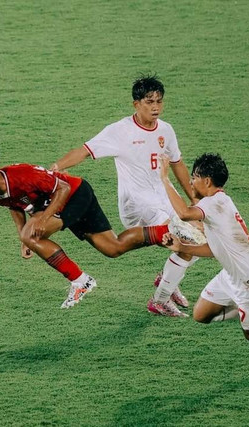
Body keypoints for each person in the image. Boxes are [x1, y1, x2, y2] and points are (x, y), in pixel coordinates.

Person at [50, 74, 204, 317]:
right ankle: (160, 299)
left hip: (165, 196)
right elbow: (84, 151)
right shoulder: (120, 131)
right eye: (149, 102)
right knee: (187, 239)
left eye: (159, 102)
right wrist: (55, 168)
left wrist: (194, 198)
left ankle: (167, 281)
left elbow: (177, 163)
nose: (155, 107)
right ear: (136, 104)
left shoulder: (166, 130)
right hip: (138, 203)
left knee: (202, 235)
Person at [0, 145, 182, 309]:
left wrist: (41, 219)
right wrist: (23, 237)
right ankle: (171, 230)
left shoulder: (23, 175)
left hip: (75, 194)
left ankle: (80, 280)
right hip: (61, 204)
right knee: (113, 248)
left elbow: (64, 188)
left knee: (32, 233)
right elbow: (14, 205)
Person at [159, 152, 249, 371]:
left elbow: (184, 213)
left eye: (194, 177)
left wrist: (164, 178)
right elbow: (215, 250)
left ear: (207, 181)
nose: (191, 182)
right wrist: (181, 247)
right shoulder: (218, 203)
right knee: (201, 315)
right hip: (232, 275)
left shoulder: (215, 204)